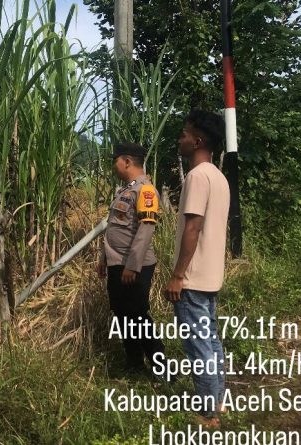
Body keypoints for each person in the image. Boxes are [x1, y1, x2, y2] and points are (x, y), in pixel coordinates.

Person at [164, 109, 230, 427]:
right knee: (211, 340)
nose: (181, 140)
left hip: (193, 277)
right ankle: (217, 398)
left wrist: (177, 276)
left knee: (198, 344)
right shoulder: (219, 177)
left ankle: (208, 413)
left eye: (184, 134)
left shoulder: (197, 176)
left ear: (198, 140)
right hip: (211, 273)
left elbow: (193, 227)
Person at [97, 142, 165, 374]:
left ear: (127, 161)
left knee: (137, 316)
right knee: (122, 314)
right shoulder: (124, 191)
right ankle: (134, 362)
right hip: (118, 264)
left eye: (116, 161)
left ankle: (161, 368)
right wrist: (103, 259)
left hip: (134, 266)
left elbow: (145, 230)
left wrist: (132, 266)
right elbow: (114, 228)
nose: (114, 166)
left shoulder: (145, 191)